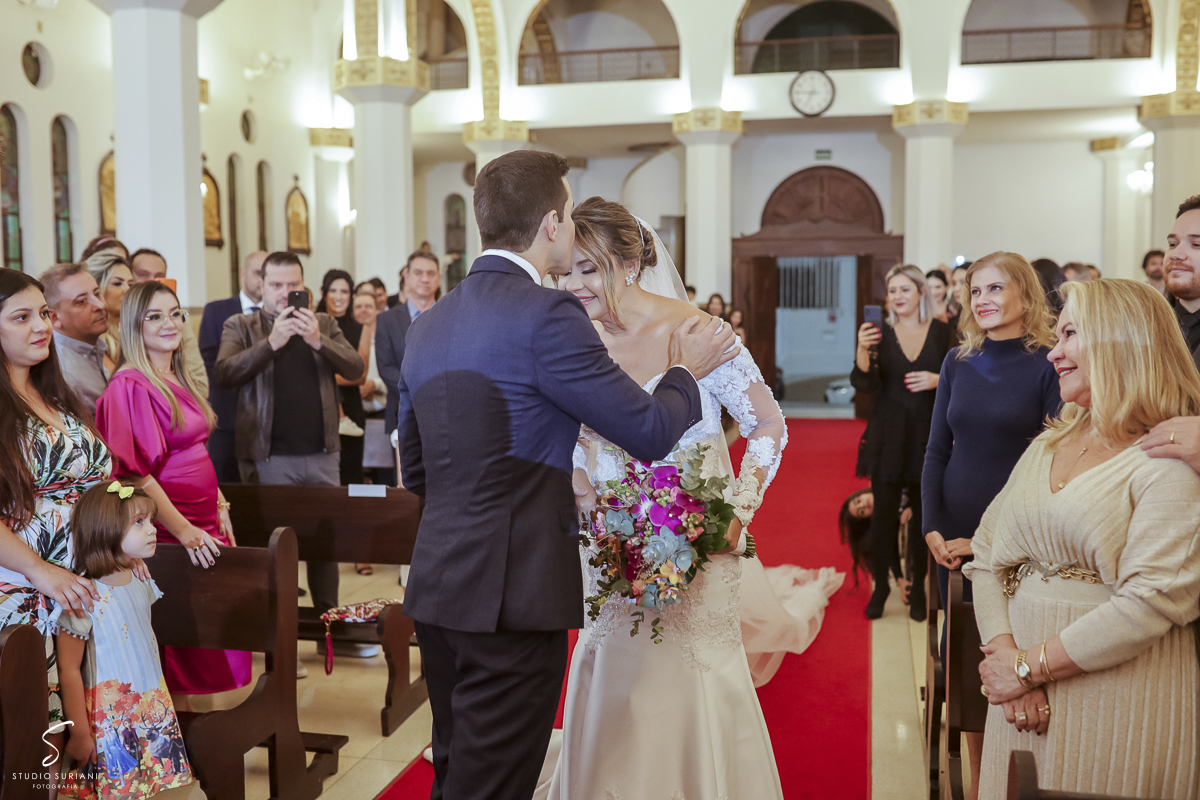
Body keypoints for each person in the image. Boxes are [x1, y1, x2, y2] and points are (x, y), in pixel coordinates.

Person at [396, 150, 736, 800]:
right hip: (513, 596)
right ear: (552, 223)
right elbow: (647, 429)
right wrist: (685, 370)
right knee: (495, 784)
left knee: (459, 769)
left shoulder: (430, 323)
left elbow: (417, 470)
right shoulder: (547, 315)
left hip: (439, 588)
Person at [542, 197, 840, 800]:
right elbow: (569, 432)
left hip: (698, 527)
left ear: (628, 263)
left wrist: (737, 511)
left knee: (693, 669)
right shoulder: (573, 338)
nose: (574, 285)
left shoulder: (696, 331)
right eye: (564, 271)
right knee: (612, 660)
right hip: (605, 537)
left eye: (588, 268)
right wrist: (582, 488)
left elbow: (767, 425)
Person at [966, 278, 1200, 800]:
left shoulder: (1170, 454)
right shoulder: (1049, 443)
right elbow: (985, 557)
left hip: (1120, 698)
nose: (1054, 352)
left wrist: (1028, 667)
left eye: (1070, 333)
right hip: (1016, 701)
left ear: (1122, 339)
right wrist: (1007, 662)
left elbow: (1150, 602)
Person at [920, 253, 1059, 800]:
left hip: (1014, 539)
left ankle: (1011, 781)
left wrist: (991, 540)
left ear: (1026, 293)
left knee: (1008, 659)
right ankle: (978, 785)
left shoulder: (1050, 361)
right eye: (975, 290)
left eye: (996, 288)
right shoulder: (958, 360)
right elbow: (937, 450)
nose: (982, 300)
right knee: (966, 671)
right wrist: (930, 525)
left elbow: (1048, 463)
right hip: (950, 532)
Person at [96, 280, 251, 710]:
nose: (170, 323)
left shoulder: (172, 375)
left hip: (201, 518)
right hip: (169, 530)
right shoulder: (130, 385)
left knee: (218, 629)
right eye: (155, 316)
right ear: (133, 325)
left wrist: (219, 502)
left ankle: (215, 733)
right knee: (189, 642)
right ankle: (192, 737)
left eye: (176, 313)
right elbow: (135, 475)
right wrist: (182, 530)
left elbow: (195, 448)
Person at [0, 269, 112, 771]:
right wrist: (41, 571)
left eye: (43, 313)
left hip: (82, 586)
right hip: (22, 592)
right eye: (21, 317)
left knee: (85, 733)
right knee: (38, 744)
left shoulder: (54, 396)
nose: (41, 326)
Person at [215, 252, 363, 630]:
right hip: (269, 458)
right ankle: (281, 637)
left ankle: (329, 629)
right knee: (277, 547)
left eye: (293, 285)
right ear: (261, 285)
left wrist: (318, 341)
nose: (285, 293)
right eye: (277, 285)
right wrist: (272, 343)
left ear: (303, 286)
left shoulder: (324, 322)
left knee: (325, 545)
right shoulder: (242, 324)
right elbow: (225, 374)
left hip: (323, 454)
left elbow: (355, 369)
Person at [55, 482, 193, 799]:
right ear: (106, 529)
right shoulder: (81, 595)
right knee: (117, 790)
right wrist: (78, 732)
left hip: (149, 703)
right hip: (109, 718)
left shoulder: (141, 578)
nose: (153, 530)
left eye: (152, 521)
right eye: (139, 522)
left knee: (152, 785)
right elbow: (69, 669)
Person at [851, 264, 951, 620]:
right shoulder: (879, 333)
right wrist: (863, 348)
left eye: (904, 290)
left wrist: (937, 379)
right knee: (884, 517)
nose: (897, 297)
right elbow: (864, 383)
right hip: (888, 433)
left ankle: (920, 586)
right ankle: (881, 586)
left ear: (921, 292)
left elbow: (959, 376)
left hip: (928, 432)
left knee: (924, 517)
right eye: (892, 291)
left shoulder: (942, 331)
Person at [198, 251, 267, 483]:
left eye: (267, 275)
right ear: (243, 273)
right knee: (224, 482)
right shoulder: (217, 311)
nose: (262, 280)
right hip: (227, 415)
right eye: (258, 273)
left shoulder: (280, 315)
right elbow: (208, 364)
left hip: (267, 420)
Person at [376, 249, 440, 482]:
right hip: (402, 413)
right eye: (419, 273)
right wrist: (422, 391)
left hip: (445, 412)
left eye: (431, 273)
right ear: (407, 277)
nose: (425, 279)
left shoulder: (451, 313)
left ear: (438, 279)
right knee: (406, 485)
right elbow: (386, 368)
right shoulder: (386, 320)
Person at [124, 249, 207, 395]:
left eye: (159, 276)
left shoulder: (176, 323)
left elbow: (199, 381)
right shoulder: (114, 322)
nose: (151, 281)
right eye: (143, 275)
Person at [316, 269, 370, 484]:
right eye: (333, 290)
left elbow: (360, 375)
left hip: (350, 408)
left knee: (350, 473)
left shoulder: (359, 328)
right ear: (323, 293)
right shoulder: (310, 323)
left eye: (344, 291)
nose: (339, 297)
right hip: (316, 407)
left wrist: (322, 375)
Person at [41, 263, 111, 415]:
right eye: (82, 301)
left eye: (97, 294)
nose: (100, 305)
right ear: (54, 317)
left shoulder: (92, 346)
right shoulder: (63, 373)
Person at [84, 251, 134, 373]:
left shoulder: (138, 328)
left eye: (131, 284)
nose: (127, 290)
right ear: (96, 289)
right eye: (117, 283)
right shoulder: (93, 338)